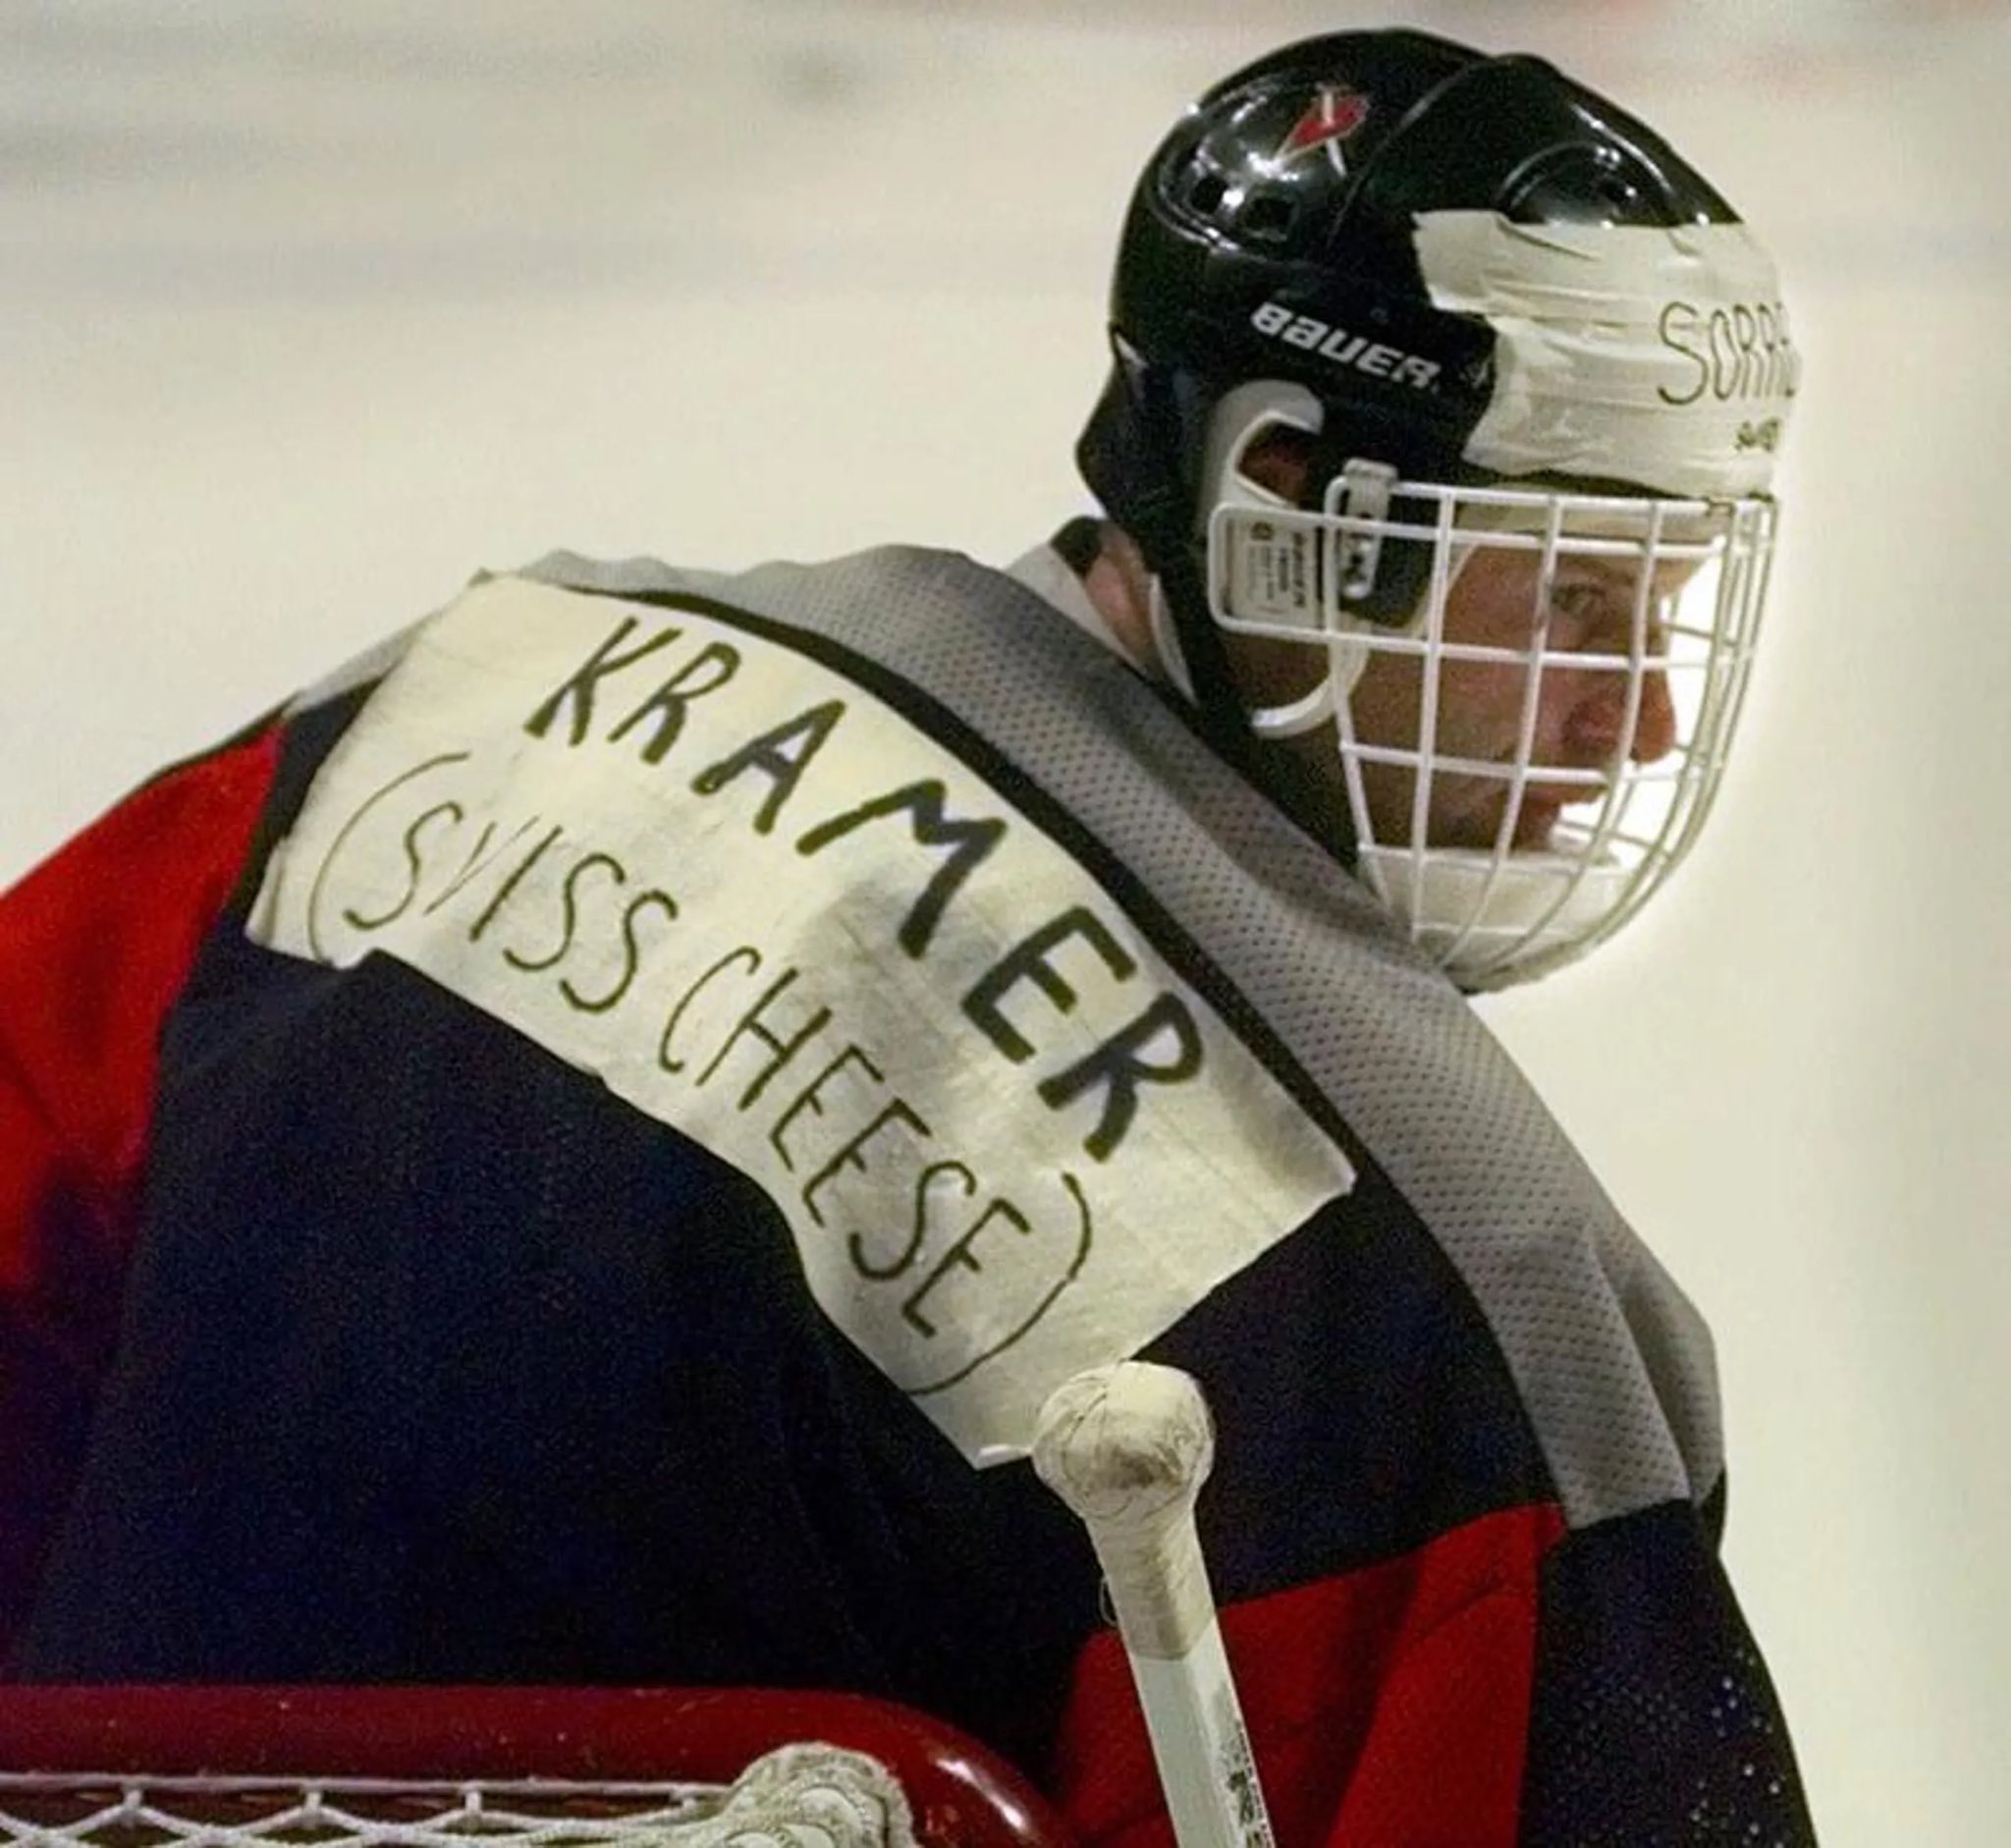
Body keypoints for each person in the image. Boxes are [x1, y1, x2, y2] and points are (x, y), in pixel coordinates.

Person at [0, 27, 1815, 1846]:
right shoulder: (1451, 1302)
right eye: (1576, 597)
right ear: (1284, 516)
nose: (1636, 720)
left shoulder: (429, 703)